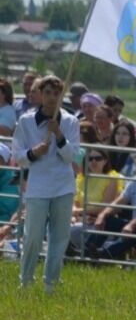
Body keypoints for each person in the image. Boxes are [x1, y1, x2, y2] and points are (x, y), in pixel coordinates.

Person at [14, 75, 79, 292]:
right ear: (40, 95)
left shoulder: (70, 121)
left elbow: (71, 157)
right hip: (38, 186)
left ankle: (51, 282)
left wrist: (59, 136)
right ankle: (26, 280)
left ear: (61, 95)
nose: (52, 98)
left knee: (59, 237)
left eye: (56, 93)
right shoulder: (25, 121)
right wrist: (34, 152)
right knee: (32, 235)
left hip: (63, 185)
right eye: (48, 93)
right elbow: (19, 156)